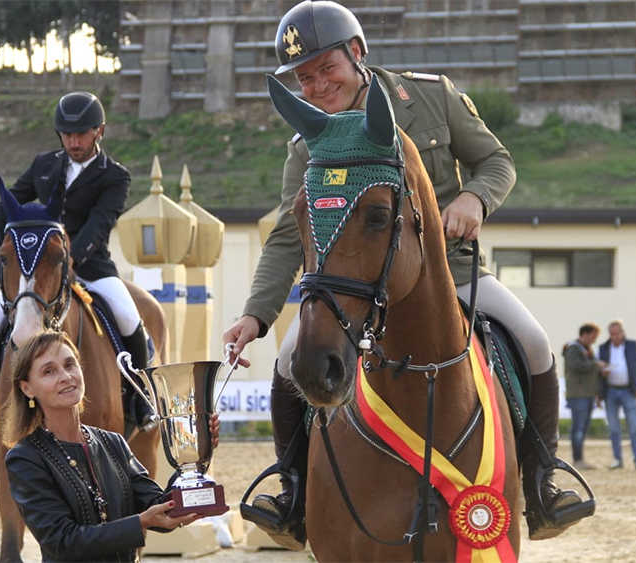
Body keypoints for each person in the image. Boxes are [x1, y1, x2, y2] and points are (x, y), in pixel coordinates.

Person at [221, 0, 584, 547]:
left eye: (327, 68)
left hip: (449, 271)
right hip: (356, 287)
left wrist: (474, 199)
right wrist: (255, 314)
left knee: (533, 342)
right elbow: (288, 236)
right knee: (288, 360)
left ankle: (542, 480)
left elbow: (497, 161)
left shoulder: (431, 97)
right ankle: (291, 490)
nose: (318, 86)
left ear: (357, 53)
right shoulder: (307, 141)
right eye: (304, 78)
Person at [0, 91, 153, 442]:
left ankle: (140, 398)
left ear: (99, 131)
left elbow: (100, 224)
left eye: (82, 134)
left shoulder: (115, 176)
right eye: (67, 135)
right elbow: (5, 208)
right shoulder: (43, 165)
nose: (74, 142)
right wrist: (10, 255)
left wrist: (70, 258)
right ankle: (0, 410)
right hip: (40, 270)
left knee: (129, 317)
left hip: (90, 266)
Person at [3, 331, 221, 562]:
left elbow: (160, 507)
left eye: (70, 364)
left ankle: (140, 401)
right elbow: (62, 541)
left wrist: (194, 456)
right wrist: (140, 522)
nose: (66, 376)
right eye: (49, 371)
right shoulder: (25, 458)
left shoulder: (113, 442)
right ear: (27, 388)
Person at [597, 320, 636, 470]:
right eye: (612, 334)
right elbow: (596, 369)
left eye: (617, 333)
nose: (615, 337)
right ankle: (617, 459)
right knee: (613, 427)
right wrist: (601, 375)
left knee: (634, 426)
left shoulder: (634, 346)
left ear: (623, 332)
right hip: (610, 391)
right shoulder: (603, 348)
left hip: (629, 390)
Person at [563, 323, 607, 470]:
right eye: (593, 336)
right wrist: (596, 365)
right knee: (578, 428)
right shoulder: (573, 349)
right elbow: (576, 366)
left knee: (583, 427)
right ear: (585, 334)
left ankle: (580, 458)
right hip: (578, 394)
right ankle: (577, 459)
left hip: (587, 393)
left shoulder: (586, 349)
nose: (594, 340)